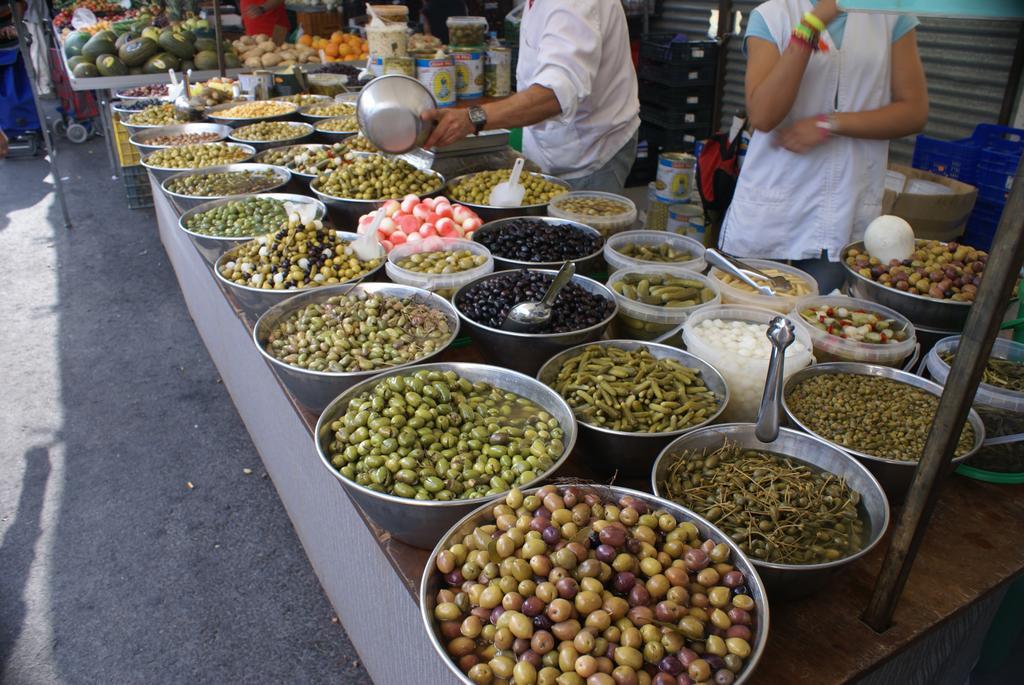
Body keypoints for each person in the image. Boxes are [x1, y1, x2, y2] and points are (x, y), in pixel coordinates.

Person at [718, 0, 928, 292]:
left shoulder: (890, 17)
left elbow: (913, 112)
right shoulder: (773, 15)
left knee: (815, 317)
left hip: (844, 205)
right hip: (772, 202)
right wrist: (811, 27)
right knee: (745, 321)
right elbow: (764, 115)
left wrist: (829, 123)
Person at [422, 0, 640, 193]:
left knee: (585, 234)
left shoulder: (572, 4)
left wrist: (472, 118)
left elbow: (554, 94)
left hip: (592, 151)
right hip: (552, 144)